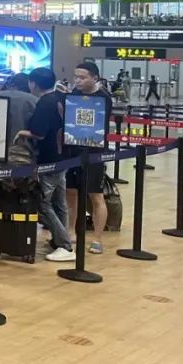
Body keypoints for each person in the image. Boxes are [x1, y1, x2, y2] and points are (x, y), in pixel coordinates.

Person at [21, 67, 75, 262]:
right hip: (64, 156)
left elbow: (39, 133)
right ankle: (59, 240)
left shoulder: (44, 102)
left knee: (42, 203)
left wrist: (20, 133)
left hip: (49, 159)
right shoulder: (62, 97)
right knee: (59, 202)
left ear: (33, 83)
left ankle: (64, 245)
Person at [66, 62, 112, 254]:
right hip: (73, 149)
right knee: (71, 192)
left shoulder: (103, 98)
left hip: (94, 152)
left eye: (82, 77)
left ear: (94, 78)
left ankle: (97, 239)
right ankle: (71, 231)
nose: (77, 80)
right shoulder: (73, 95)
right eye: (76, 76)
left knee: (95, 195)